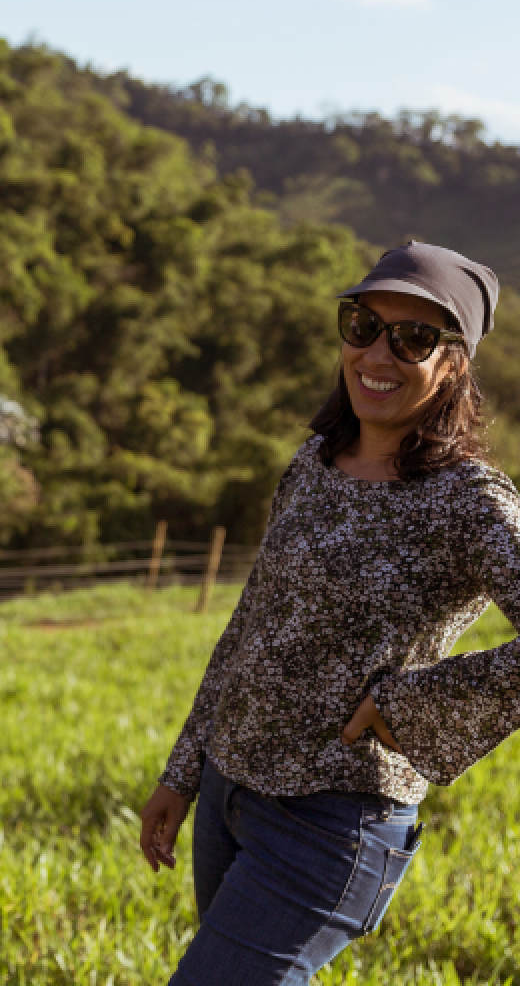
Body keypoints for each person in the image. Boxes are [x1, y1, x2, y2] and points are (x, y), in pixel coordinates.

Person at [139, 240, 516, 985]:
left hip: (333, 824)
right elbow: (249, 623)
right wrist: (184, 771)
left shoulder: (469, 500)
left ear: (454, 364)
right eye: (362, 324)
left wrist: (409, 703)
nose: (378, 351)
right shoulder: (314, 461)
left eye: (413, 338)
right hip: (229, 792)